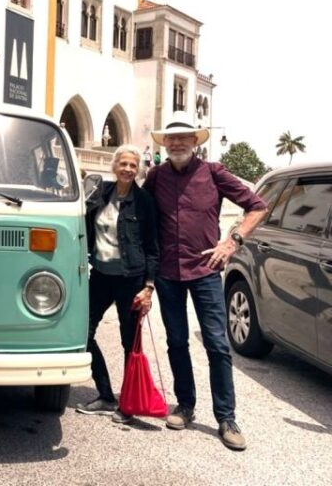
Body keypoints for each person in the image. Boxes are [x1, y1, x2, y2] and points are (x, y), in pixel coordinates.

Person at [143, 112, 267, 450]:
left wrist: (232, 242)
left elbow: (257, 207)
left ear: (195, 141)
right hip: (168, 272)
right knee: (176, 341)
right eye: (171, 139)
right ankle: (185, 405)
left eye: (183, 138)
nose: (177, 143)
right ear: (164, 144)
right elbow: (140, 213)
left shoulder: (213, 172)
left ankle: (226, 417)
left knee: (217, 344)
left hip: (206, 271)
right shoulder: (156, 176)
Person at [76, 145, 159, 424]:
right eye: (123, 164)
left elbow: (152, 248)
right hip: (100, 275)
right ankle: (105, 395)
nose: (127, 169)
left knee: (130, 342)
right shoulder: (101, 193)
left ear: (138, 170)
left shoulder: (144, 201)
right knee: (83, 332)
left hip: (131, 278)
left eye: (133, 165)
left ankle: (128, 403)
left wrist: (148, 287)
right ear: (114, 166)